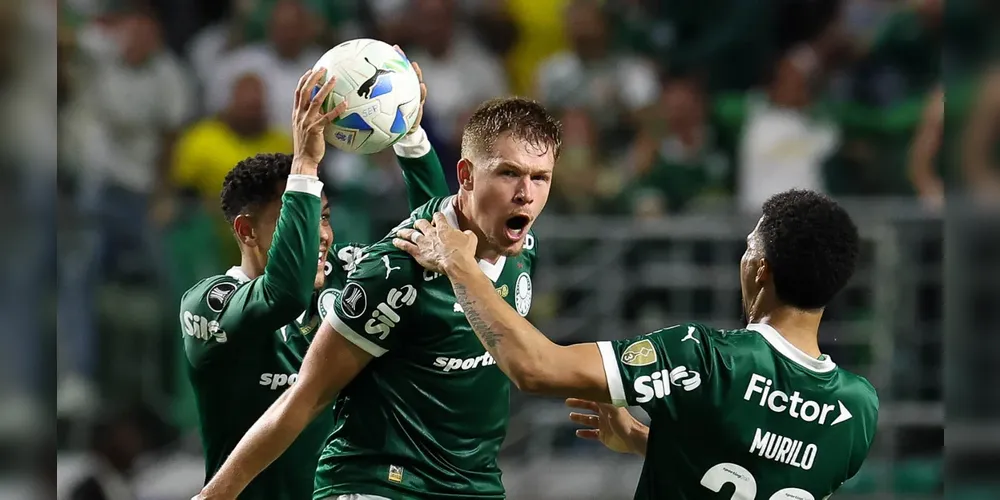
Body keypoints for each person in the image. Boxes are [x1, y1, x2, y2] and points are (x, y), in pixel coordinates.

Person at [394, 189, 879, 499]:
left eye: (749, 247)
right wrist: (646, 442)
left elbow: (536, 367)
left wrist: (459, 264)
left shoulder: (705, 358)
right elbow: (755, 479)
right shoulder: (859, 409)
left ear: (761, 268)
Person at [195, 97, 561, 500]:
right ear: (468, 175)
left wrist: (411, 136)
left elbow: (445, 218)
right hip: (380, 485)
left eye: (540, 177)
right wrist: (214, 495)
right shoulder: (393, 270)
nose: (525, 193)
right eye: (509, 173)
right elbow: (306, 381)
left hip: (476, 486)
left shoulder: (522, 252)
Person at [181, 54, 449, 500]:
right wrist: (304, 164)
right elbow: (284, 294)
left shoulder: (348, 274)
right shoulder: (210, 305)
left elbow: (435, 244)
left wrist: (411, 136)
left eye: (323, 217)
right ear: (246, 231)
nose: (320, 234)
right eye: (299, 218)